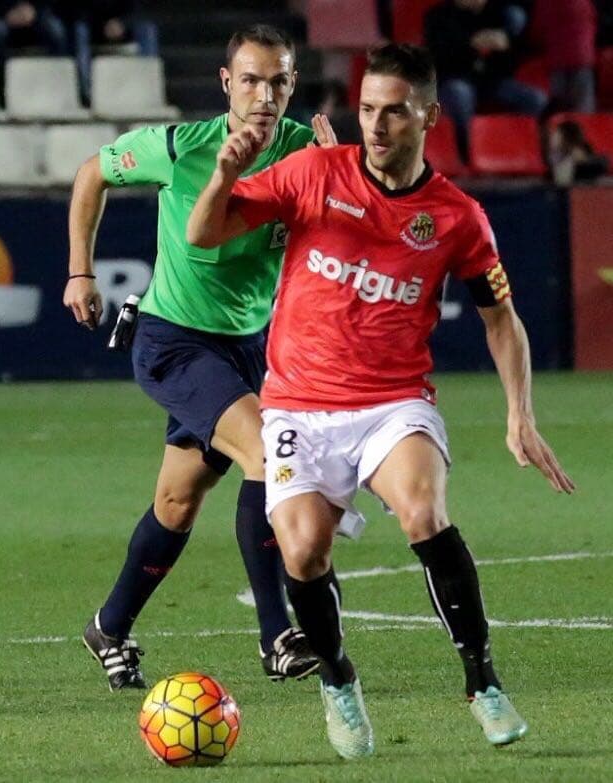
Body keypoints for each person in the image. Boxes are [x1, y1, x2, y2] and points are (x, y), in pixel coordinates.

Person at [188, 43, 575, 759]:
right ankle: (338, 678)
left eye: (394, 110)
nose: (376, 123)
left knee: (425, 509)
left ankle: (482, 682)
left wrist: (520, 414)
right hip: (298, 406)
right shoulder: (310, 173)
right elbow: (203, 231)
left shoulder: (456, 216)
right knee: (303, 550)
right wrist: (223, 174)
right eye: (367, 108)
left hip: (393, 403)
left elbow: (502, 318)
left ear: (427, 115)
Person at [63, 25, 338, 692]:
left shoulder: (309, 153)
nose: (264, 93)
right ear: (226, 83)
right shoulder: (180, 148)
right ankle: (277, 635)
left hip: (253, 346)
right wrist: (80, 271)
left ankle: (109, 624)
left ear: (293, 84)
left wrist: (342, 181)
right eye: (250, 79)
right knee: (270, 455)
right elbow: (92, 172)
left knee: (177, 500)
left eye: (278, 81)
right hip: (173, 339)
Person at [424, 0, 547, 158]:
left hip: (492, 81)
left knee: (536, 99)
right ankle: (467, 152)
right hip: (455, 79)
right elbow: (437, 57)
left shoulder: (499, 16)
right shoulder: (438, 16)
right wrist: (470, 44)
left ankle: (518, 149)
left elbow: (517, 59)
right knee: (460, 95)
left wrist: (505, 45)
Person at [0, 1, 68, 107]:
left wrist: (33, 11)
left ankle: (60, 93)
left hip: (32, 19)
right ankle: (1, 95)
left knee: (56, 32)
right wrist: (6, 14)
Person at [547, 119, 609, 185]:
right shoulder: (555, 156)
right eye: (554, 133)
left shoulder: (590, 158)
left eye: (557, 133)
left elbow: (602, 163)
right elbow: (561, 179)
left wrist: (583, 160)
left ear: (566, 138)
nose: (552, 136)